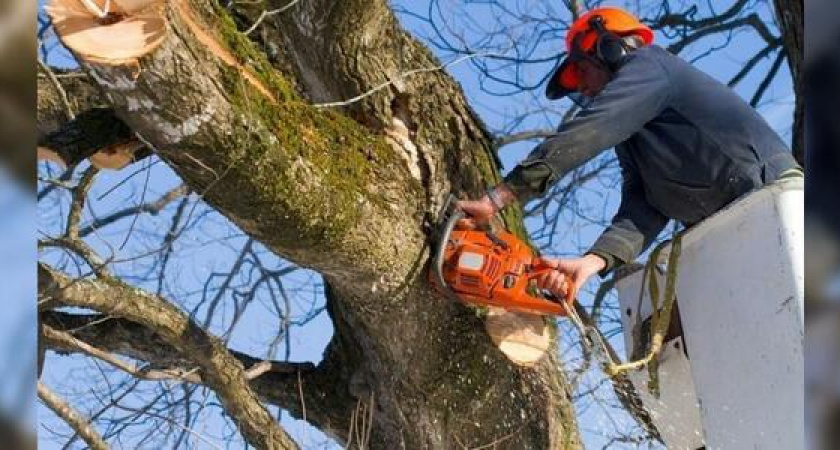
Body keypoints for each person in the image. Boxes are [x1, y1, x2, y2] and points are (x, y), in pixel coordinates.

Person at [457, 7, 800, 303]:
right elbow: (644, 206)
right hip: (729, 228)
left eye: (583, 72)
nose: (584, 89)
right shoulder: (636, 135)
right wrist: (592, 262)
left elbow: (591, 130)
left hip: (770, 199)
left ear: (609, 48)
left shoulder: (651, 66)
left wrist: (500, 196)